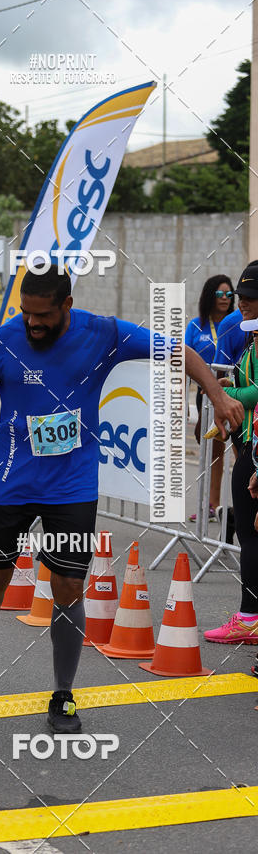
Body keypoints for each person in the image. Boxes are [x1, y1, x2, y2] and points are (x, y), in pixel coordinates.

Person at [0, 265, 243, 734]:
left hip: (71, 485)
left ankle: (63, 693)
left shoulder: (102, 333)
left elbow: (178, 352)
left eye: (42, 314)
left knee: (66, 587)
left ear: (66, 305)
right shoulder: (5, 340)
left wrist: (216, 394)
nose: (32, 323)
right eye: (26, 313)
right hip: (11, 482)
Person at [205, 262, 258, 646]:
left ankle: (249, 618)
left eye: (251, 299)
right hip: (250, 443)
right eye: (240, 297)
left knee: (251, 537)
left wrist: (227, 395)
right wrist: (232, 381)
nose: (242, 304)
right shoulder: (251, 336)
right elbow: (250, 381)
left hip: (255, 449)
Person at [185, 274, 235, 521]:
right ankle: (211, 505)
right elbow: (183, 358)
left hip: (233, 394)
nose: (225, 298)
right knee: (211, 451)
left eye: (229, 294)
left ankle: (241, 507)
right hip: (204, 397)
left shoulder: (238, 323)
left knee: (239, 450)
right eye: (219, 294)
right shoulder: (196, 325)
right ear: (209, 296)